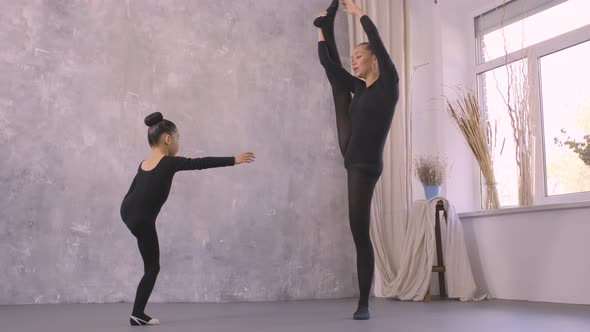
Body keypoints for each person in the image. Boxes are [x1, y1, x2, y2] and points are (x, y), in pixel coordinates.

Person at [120, 111, 255, 326]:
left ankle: (138, 312)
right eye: (178, 137)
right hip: (143, 220)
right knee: (152, 268)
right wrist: (233, 160)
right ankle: (137, 313)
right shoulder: (167, 163)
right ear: (167, 139)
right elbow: (199, 163)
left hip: (128, 212)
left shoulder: (143, 163)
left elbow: (133, 190)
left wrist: (130, 214)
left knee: (150, 264)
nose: (178, 142)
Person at [315, 0, 400, 320]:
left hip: (365, 167)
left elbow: (376, 40)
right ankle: (327, 21)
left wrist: (360, 14)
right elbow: (328, 64)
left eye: (359, 56)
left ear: (373, 59)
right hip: (351, 154)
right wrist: (319, 32)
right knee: (338, 85)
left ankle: (364, 302)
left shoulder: (389, 84)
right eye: (352, 57)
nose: (354, 61)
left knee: (359, 233)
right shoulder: (359, 88)